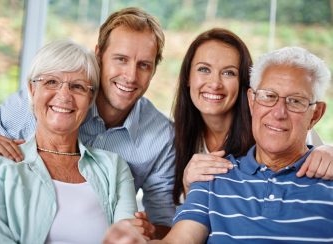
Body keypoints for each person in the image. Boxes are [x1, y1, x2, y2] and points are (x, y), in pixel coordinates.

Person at [103, 46, 333, 243]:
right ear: (252, 101)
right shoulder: (212, 175)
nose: (279, 113)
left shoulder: (327, 174)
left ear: (316, 114)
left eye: (295, 101)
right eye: (268, 96)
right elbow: (179, 240)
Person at [0, 7, 174, 239]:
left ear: (154, 70)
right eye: (121, 59)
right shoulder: (40, 102)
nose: (131, 76)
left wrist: (148, 232)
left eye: (144, 65)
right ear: (99, 55)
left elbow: (163, 221)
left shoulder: (161, 136)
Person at [0, 40, 137, 243]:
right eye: (51, 82)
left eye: (78, 87)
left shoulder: (114, 167)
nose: (64, 95)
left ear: (90, 99)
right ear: (32, 89)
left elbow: (128, 238)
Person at [172, 28, 333, 204]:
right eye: (204, 69)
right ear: (188, 76)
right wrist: (189, 188)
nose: (215, 84)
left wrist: (327, 150)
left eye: (228, 73)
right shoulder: (175, 136)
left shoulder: (271, 127)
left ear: (244, 83)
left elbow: (316, 151)